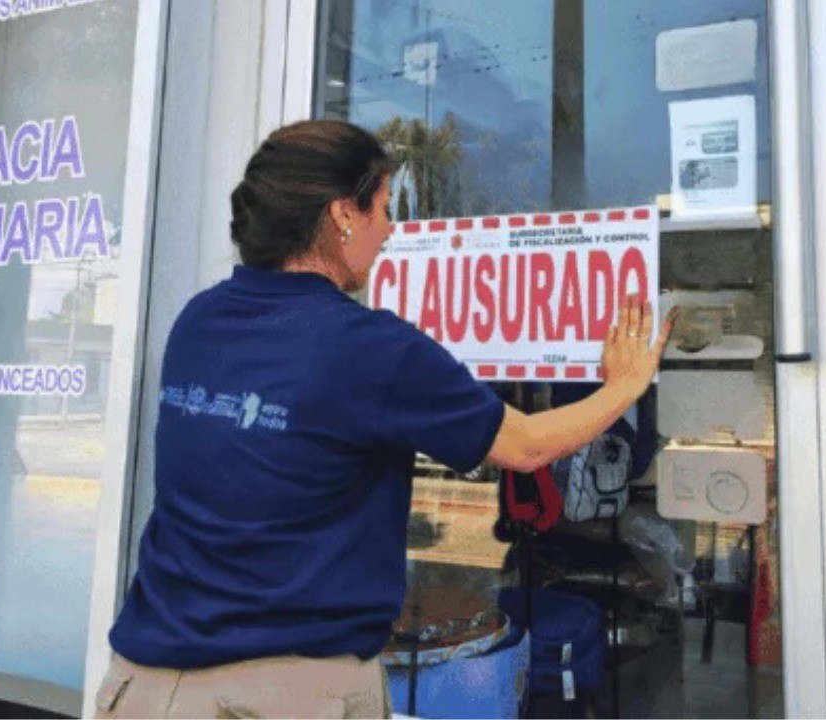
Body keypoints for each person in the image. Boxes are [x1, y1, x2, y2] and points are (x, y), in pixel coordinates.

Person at [95, 119, 674, 719]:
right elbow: (524, 447)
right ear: (344, 214)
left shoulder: (200, 320)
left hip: (141, 686)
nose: (392, 230)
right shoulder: (366, 347)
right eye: (383, 207)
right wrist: (624, 386)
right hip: (277, 696)